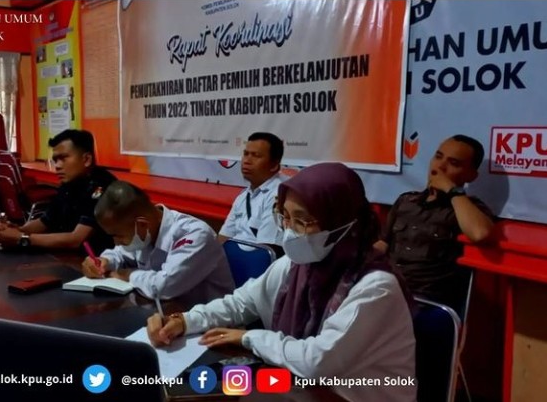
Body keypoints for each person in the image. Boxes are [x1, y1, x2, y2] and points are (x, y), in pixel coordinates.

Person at [147, 163, 416, 402]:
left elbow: (317, 362)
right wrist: (184, 321)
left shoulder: (376, 288)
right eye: (285, 216)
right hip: (300, 387)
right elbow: (242, 302)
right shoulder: (296, 264)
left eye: (303, 221)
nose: (289, 230)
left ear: (343, 223)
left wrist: (249, 337)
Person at [374, 134, 494, 312]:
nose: (440, 166)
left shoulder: (467, 209)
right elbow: (383, 244)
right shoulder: (406, 201)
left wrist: (452, 190)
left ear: (471, 176)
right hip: (385, 290)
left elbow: (480, 233)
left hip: (425, 303)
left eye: (453, 163)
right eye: (438, 157)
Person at [81, 181, 235, 307]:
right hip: (167, 315)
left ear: (142, 224)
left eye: (118, 236)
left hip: (211, 325)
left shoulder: (193, 234)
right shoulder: (142, 231)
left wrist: (128, 275)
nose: (116, 242)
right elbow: (119, 253)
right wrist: (105, 261)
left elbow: (164, 287)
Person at [0, 129, 116, 252]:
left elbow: (76, 239)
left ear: (86, 159)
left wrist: (22, 239)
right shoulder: (68, 184)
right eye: (55, 160)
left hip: (98, 261)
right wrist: (16, 231)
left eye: (63, 158)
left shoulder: (102, 187)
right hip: (67, 257)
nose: (57, 166)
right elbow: (45, 222)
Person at [218, 132, 284, 248]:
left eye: (256, 155)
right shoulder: (243, 196)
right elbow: (223, 238)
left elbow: (266, 250)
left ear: (274, 165)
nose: (246, 161)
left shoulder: (279, 194)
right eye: (246, 154)